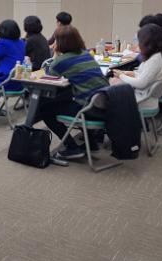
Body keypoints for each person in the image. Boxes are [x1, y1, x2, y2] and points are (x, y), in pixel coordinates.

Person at [30, 25, 109, 160]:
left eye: (56, 40)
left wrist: (55, 54)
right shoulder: (86, 54)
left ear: (60, 42)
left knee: (45, 109)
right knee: (66, 99)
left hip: (89, 110)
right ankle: (92, 143)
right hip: (104, 106)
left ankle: (72, 148)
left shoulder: (62, 61)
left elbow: (49, 78)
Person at [111, 24, 162, 109]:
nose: (139, 44)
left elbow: (141, 84)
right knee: (114, 84)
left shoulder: (156, 59)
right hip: (147, 98)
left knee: (110, 87)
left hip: (142, 100)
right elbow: (150, 77)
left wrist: (121, 75)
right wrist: (131, 74)